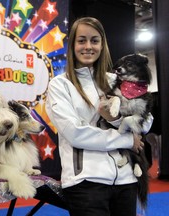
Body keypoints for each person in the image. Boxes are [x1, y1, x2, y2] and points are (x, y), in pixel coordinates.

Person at [45, 17, 153, 216]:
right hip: (86, 184)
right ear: (72, 45)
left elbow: (146, 120)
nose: (88, 46)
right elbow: (76, 133)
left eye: (94, 40)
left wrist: (115, 120)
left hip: (126, 180)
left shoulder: (117, 80)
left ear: (102, 45)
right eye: (81, 40)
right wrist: (127, 139)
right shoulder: (60, 85)